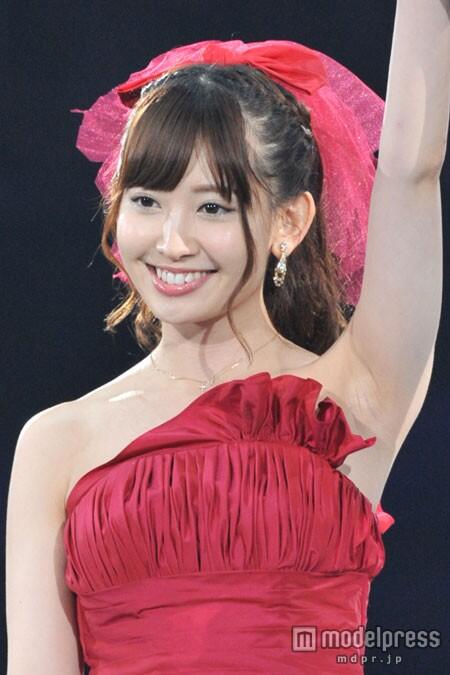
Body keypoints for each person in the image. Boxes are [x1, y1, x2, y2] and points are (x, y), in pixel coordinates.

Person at [6, 1, 449, 673]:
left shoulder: (351, 398)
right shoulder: (56, 442)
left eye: (212, 206)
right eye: (146, 200)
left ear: (289, 221)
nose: (172, 240)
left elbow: (412, 169)